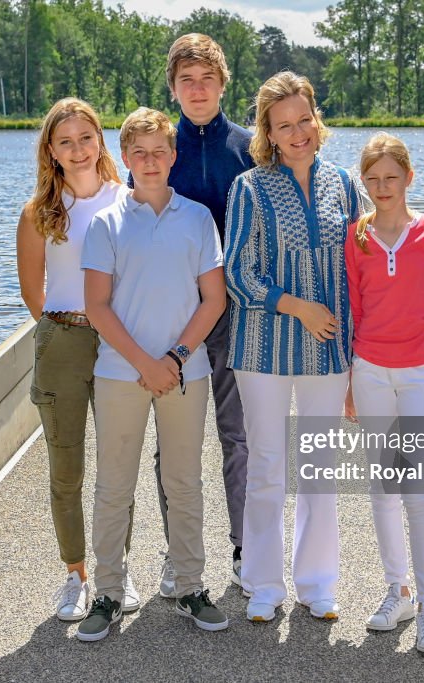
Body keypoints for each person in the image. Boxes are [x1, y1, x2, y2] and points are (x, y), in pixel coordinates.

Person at [77, 107, 229, 641]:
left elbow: (213, 299)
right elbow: (97, 305)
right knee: (114, 486)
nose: (149, 161)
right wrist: (146, 363)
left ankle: (189, 585)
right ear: (124, 158)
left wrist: (175, 359)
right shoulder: (107, 222)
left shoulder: (197, 219)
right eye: (138, 152)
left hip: (186, 372)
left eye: (158, 151)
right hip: (121, 373)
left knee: (184, 482)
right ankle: (108, 593)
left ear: (173, 156)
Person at [223, 71, 366, 623]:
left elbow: (360, 271)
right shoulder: (250, 189)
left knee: (320, 468)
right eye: (285, 125)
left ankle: (317, 584)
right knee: (266, 467)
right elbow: (238, 272)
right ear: (269, 132)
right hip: (263, 351)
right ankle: (263, 585)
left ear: (316, 118)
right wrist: (297, 306)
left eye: (304, 119)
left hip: (329, 352)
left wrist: (360, 353)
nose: (298, 132)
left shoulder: (345, 185)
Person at [15, 98, 138, 622]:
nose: (78, 149)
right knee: (66, 468)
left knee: (117, 463)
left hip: (116, 341)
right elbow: (32, 293)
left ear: (100, 140)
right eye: (65, 141)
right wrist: (68, 328)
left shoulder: (128, 201)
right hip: (62, 342)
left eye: (86, 137)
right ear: (52, 151)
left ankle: (116, 570)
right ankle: (76, 574)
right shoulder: (39, 212)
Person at [344, 132, 424, 654]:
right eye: (372, 180)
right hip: (370, 370)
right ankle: (399, 591)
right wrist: (350, 379)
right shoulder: (358, 236)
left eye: (391, 177)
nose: (382, 187)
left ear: (409, 178)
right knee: (382, 489)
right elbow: (353, 307)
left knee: (417, 491)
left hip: (419, 372)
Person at [149, 33, 254, 594]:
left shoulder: (250, 147)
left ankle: (245, 549)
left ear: (222, 83)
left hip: (238, 318)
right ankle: (178, 553)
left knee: (239, 437)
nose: (197, 89)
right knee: (175, 443)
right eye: (186, 80)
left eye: (206, 79)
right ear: (173, 87)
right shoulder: (161, 151)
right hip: (176, 318)